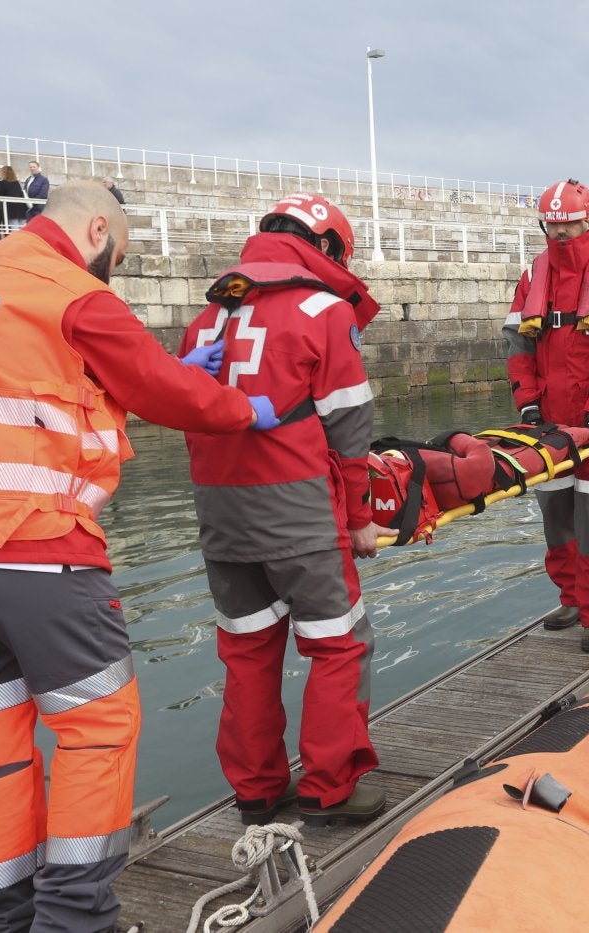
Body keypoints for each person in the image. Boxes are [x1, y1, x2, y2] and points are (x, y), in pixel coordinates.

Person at [0, 180, 278, 933]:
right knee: (96, 726)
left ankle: (10, 914)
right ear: (97, 227)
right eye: (117, 258)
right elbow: (164, 391)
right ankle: (74, 920)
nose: (112, 274)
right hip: (32, 547)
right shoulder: (71, 290)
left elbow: (45, 383)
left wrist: (176, 362)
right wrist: (236, 406)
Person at [180, 193, 391, 827]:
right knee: (336, 646)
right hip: (298, 513)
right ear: (325, 248)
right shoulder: (324, 312)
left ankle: (257, 790)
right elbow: (350, 432)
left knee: (246, 653)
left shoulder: (208, 318)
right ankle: (332, 788)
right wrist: (357, 521)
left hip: (222, 518)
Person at [503, 178, 589, 653]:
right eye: (553, 225)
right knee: (557, 517)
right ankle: (571, 599)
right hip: (545, 424)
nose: (560, 234)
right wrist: (527, 402)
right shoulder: (532, 275)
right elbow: (518, 346)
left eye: (568, 224)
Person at [0, 166, 26, 233]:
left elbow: (0, 195)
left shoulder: (3, 183)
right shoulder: (17, 183)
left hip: (11, 209)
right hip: (21, 208)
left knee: (15, 228)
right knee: (23, 228)